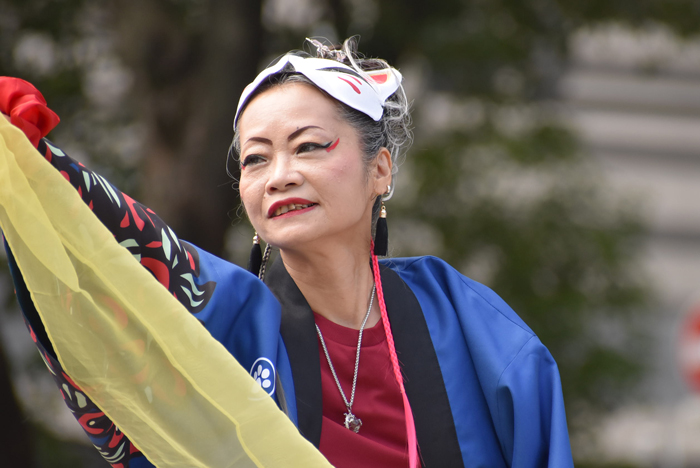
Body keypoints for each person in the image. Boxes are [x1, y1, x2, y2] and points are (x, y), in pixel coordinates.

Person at [0, 38, 574, 467]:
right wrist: (35, 164)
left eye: (309, 147)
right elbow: (129, 266)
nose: (280, 176)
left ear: (380, 169)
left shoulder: (468, 321)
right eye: (256, 159)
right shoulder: (231, 324)